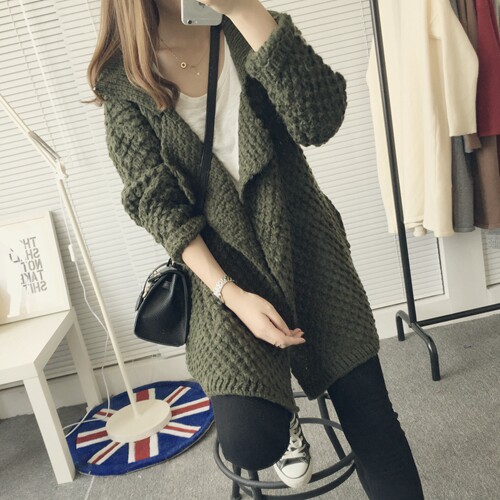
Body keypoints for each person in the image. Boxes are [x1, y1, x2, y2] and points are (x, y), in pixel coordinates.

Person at [89, 0, 425, 497]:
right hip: (221, 275)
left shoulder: (247, 27)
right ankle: (284, 416)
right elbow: (158, 206)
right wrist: (232, 295)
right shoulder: (124, 81)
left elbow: (321, 121)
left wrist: (246, 10)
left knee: (371, 416)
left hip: (307, 248)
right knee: (250, 440)